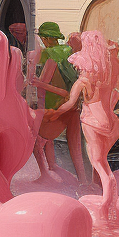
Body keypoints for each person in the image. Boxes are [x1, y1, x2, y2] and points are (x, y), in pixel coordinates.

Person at [50, 31, 119, 224]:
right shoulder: (110, 74)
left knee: (99, 164)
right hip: (113, 123)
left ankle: (106, 205)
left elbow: (70, 104)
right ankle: (100, 191)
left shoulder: (83, 81)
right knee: (102, 159)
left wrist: (55, 113)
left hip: (92, 122)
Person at [27, 22, 87, 183]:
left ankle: (47, 172)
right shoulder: (72, 56)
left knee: (38, 139)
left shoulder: (51, 55)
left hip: (53, 105)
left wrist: (38, 83)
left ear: (46, 39)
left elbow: (42, 84)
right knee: (75, 146)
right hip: (72, 105)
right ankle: (81, 179)